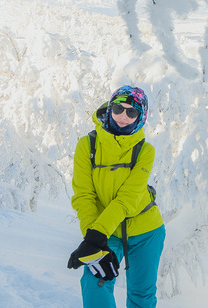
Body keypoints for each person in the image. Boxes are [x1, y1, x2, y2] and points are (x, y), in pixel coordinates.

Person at [67, 85, 165, 308]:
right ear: (110, 108)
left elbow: (127, 199)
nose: (123, 116)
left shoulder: (144, 151)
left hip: (146, 231)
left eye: (132, 112)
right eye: (119, 109)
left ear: (141, 118)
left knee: (142, 295)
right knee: (94, 284)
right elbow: (84, 196)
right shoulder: (88, 145)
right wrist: (93, 240)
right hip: (106, 229)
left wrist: (95, 237)